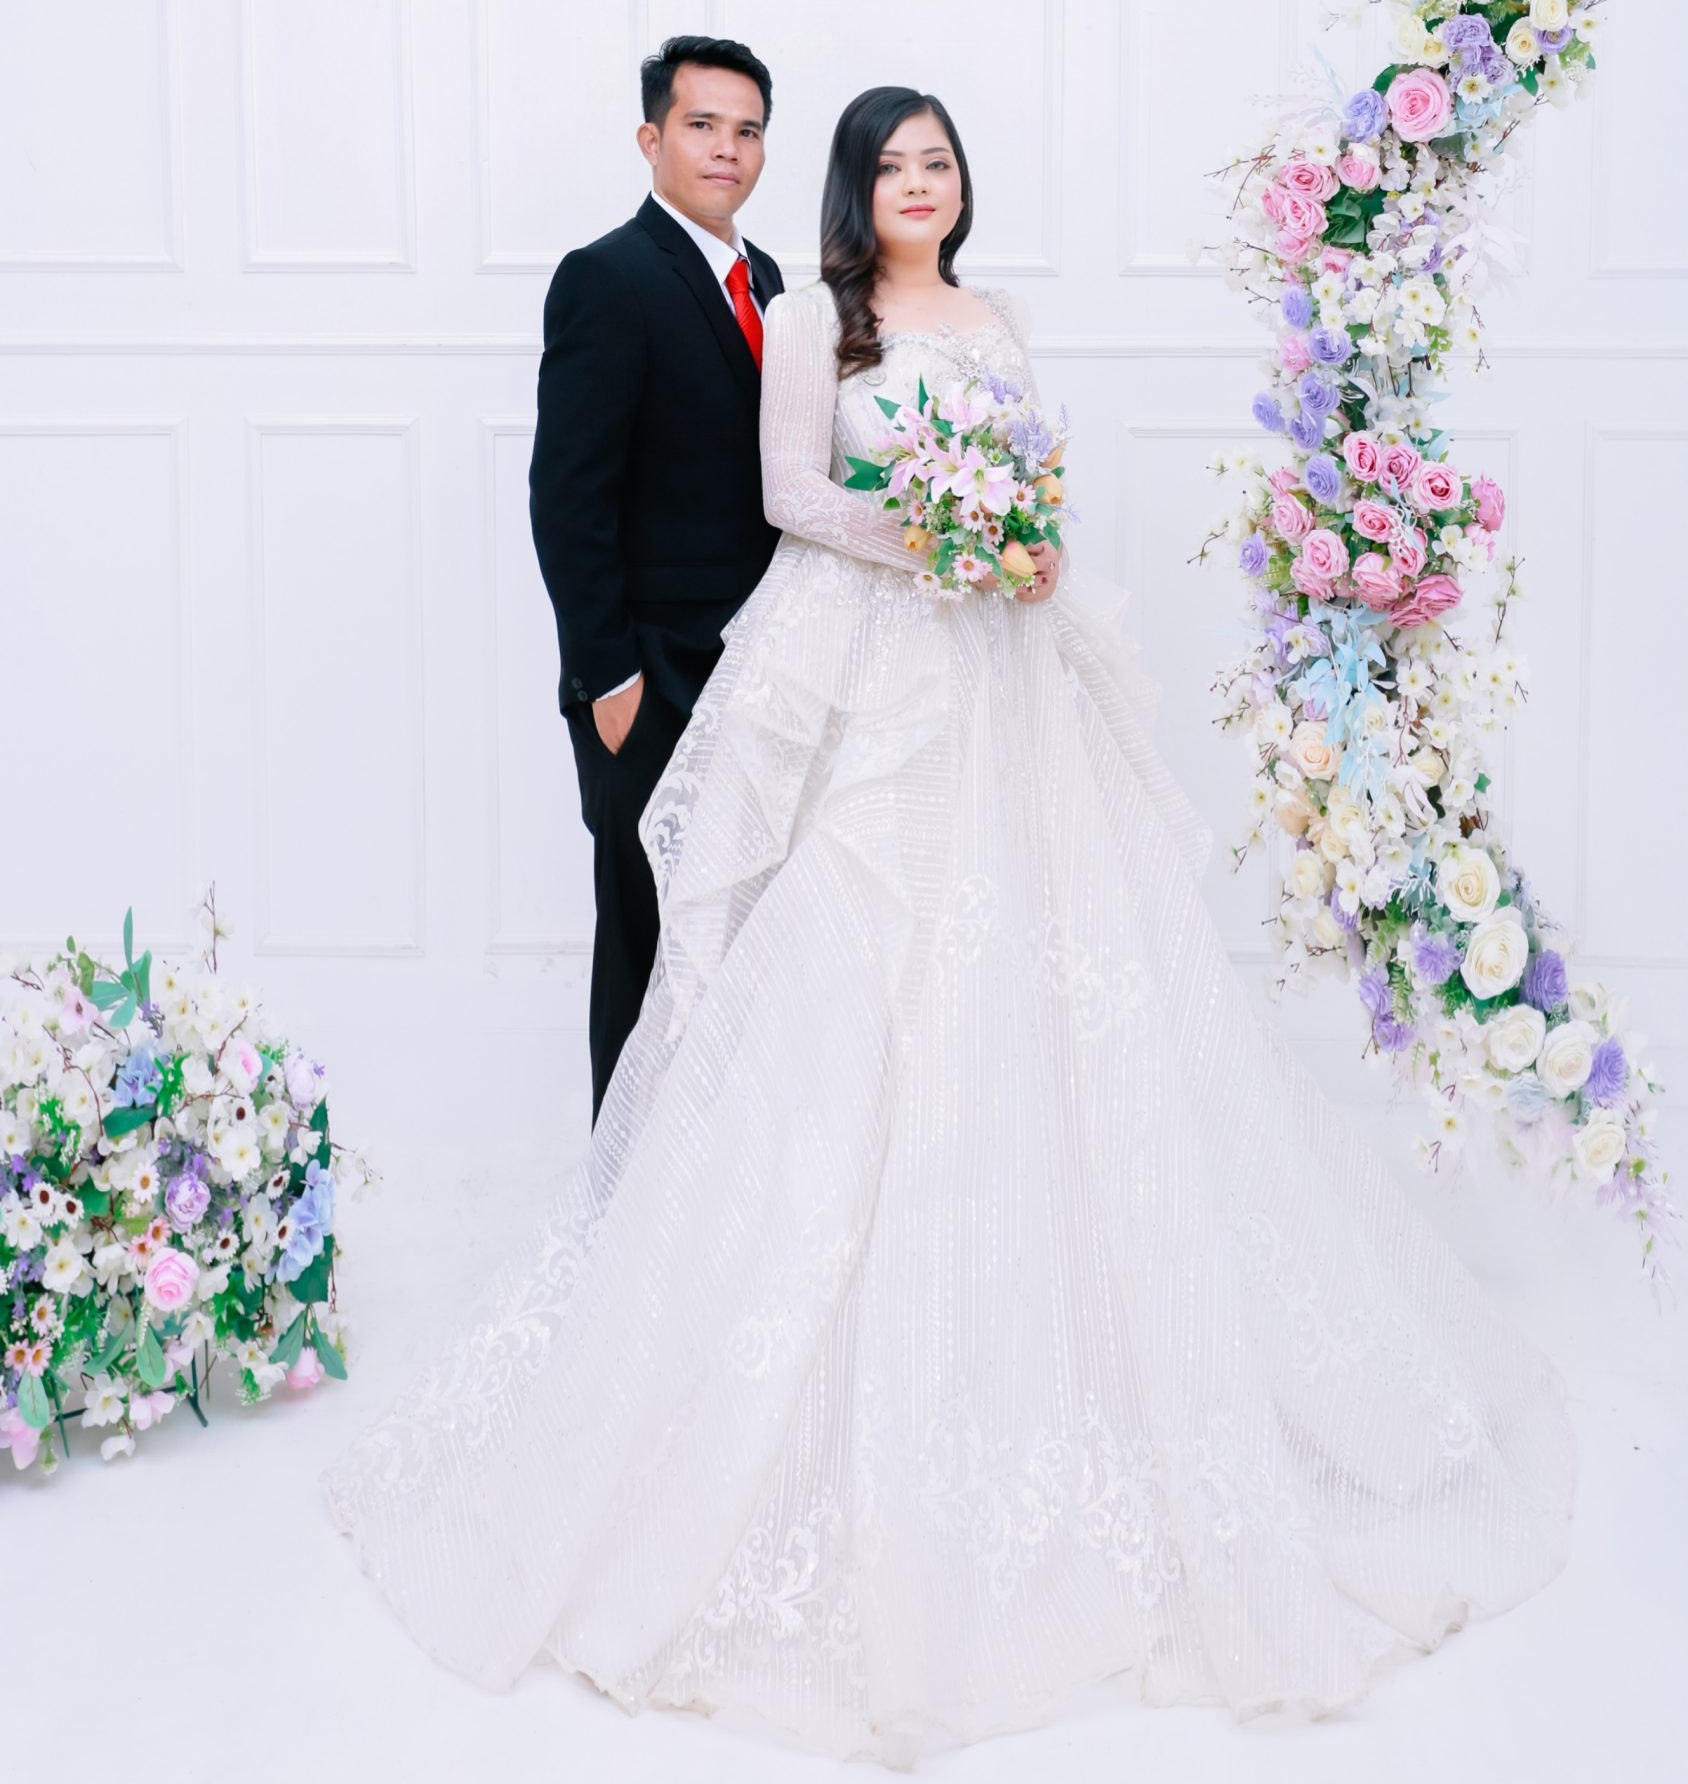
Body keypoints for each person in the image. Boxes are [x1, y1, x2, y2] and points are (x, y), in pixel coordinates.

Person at [328, 87, 1574, 1766]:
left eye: (940, 161)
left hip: (1002, 679)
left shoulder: (995, 320)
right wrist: (936, 528)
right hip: (875, 678)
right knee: (848, 981)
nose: (920, 183)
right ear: (857, 190)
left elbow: (1035, 485)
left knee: (1058, 992)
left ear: (960, 184)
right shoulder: (810, 323)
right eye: (893, 164)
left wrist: (1021, 539)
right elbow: (788, 491)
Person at [528, 34, 783, 1122]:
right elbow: (565, 496)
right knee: (645, 944)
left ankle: (716, 1190)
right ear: (650, 138)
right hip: (649, 681)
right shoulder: (607, 277)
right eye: (701, 124)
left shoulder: (767, 281)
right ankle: (622, 1189)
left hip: (761, 671)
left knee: (746, 949)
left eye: (747, 130)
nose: (726, 149)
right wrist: (610, 680)